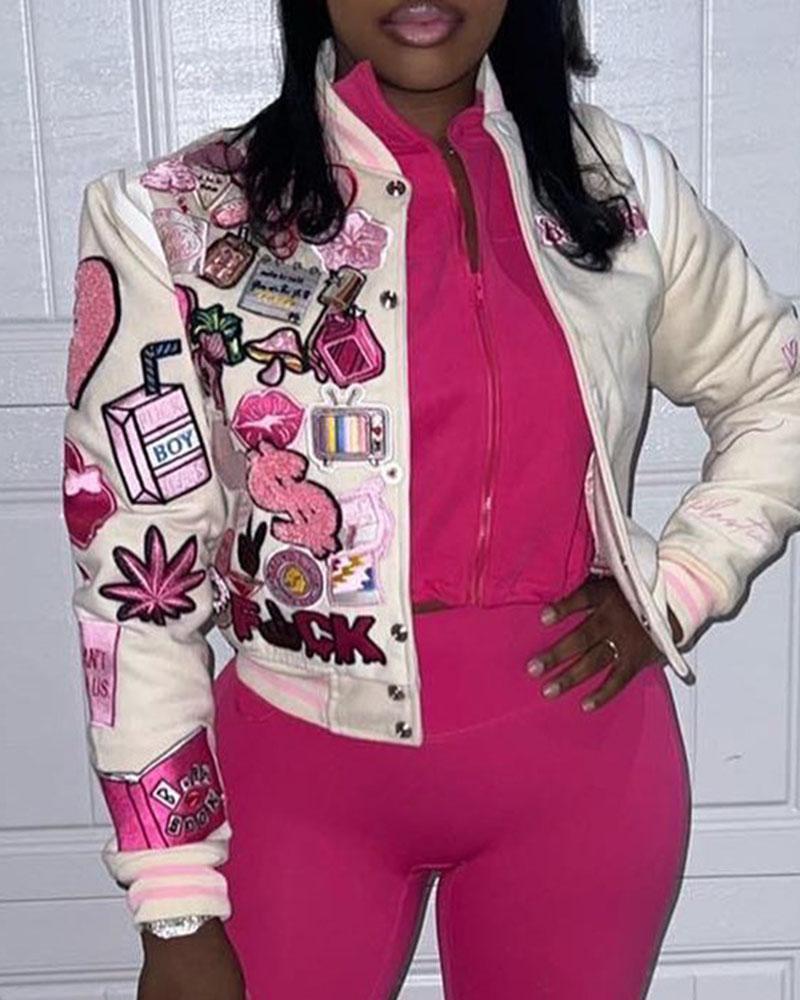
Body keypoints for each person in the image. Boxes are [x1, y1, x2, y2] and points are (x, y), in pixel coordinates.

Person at [61, 1, 800, 997]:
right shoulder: (177, 217)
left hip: (579, 778)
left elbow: (777, 391)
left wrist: (679, 584)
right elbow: (136, 582)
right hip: (297, 787)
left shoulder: (615, 188)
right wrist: (175, 902)